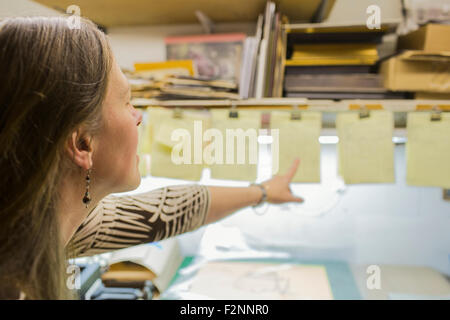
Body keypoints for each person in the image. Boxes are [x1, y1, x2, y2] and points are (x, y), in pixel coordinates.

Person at [0, 16, 303, 300]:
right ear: (82, 144)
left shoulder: (48, 222)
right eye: (128, 102)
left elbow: (165, 212)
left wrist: (263, 192)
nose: (139, 117)